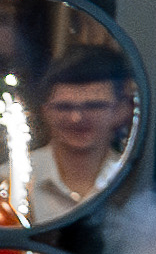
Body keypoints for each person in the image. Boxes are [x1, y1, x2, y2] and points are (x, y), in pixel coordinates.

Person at [37, 39, 136, 206]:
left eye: (94, 106)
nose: (76, 118)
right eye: (64, 107)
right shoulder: (8, 180)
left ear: (122, 110)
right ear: (45, 112)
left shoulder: (134, 184)